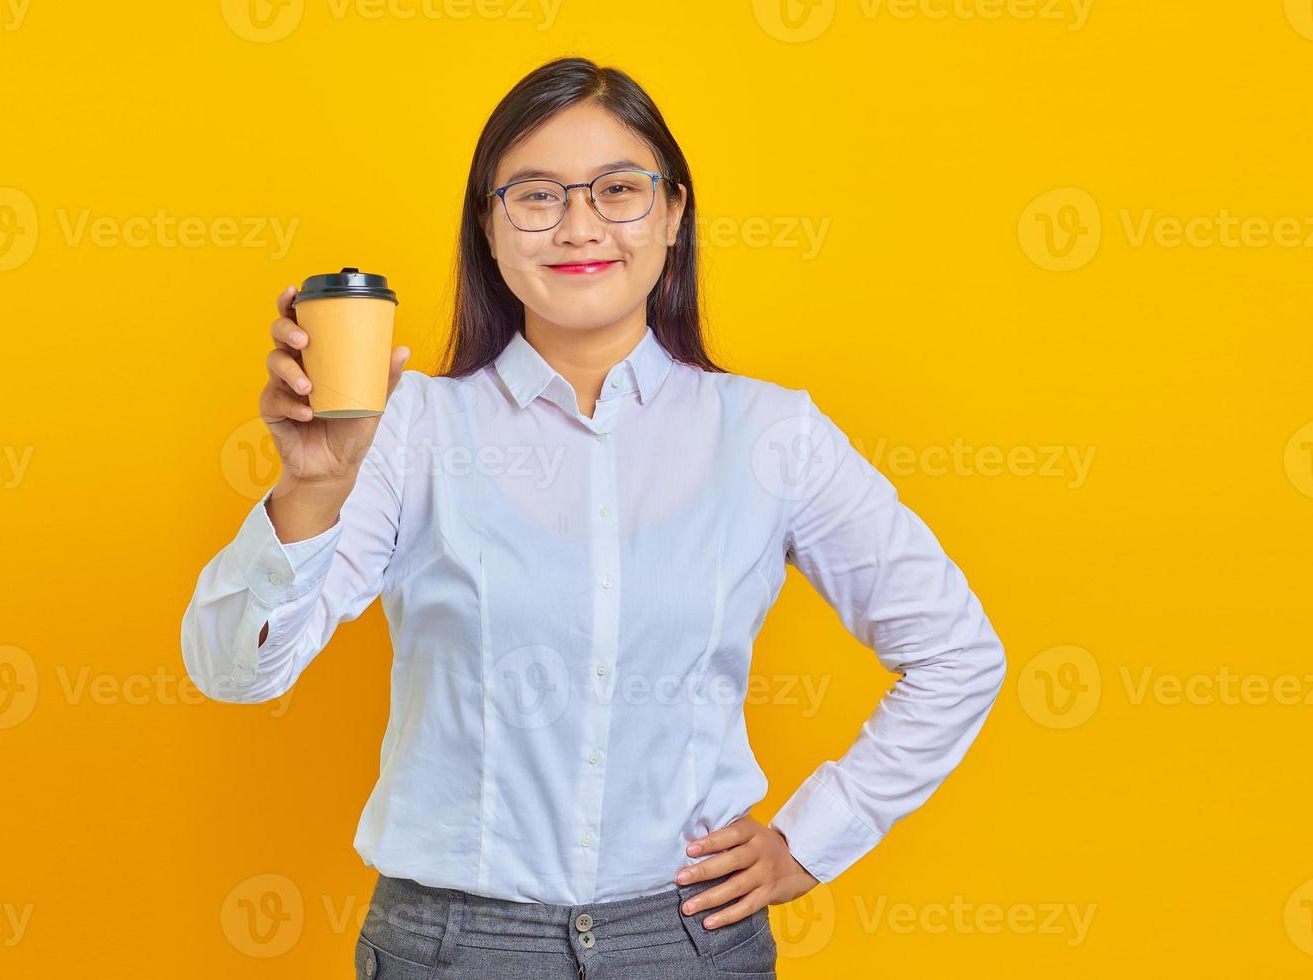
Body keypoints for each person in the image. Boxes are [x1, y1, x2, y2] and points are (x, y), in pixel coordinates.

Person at [182, 55, 1006, 980]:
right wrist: (314, 488)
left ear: (673, 212)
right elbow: (234, 673)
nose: (580, 226)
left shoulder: (772, 432)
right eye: (535, 195)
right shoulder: (407, 427)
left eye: (618, 190)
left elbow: (958, 652)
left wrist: (811, 841)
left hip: (688, 944)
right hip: (455, 950)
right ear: (488, 230)